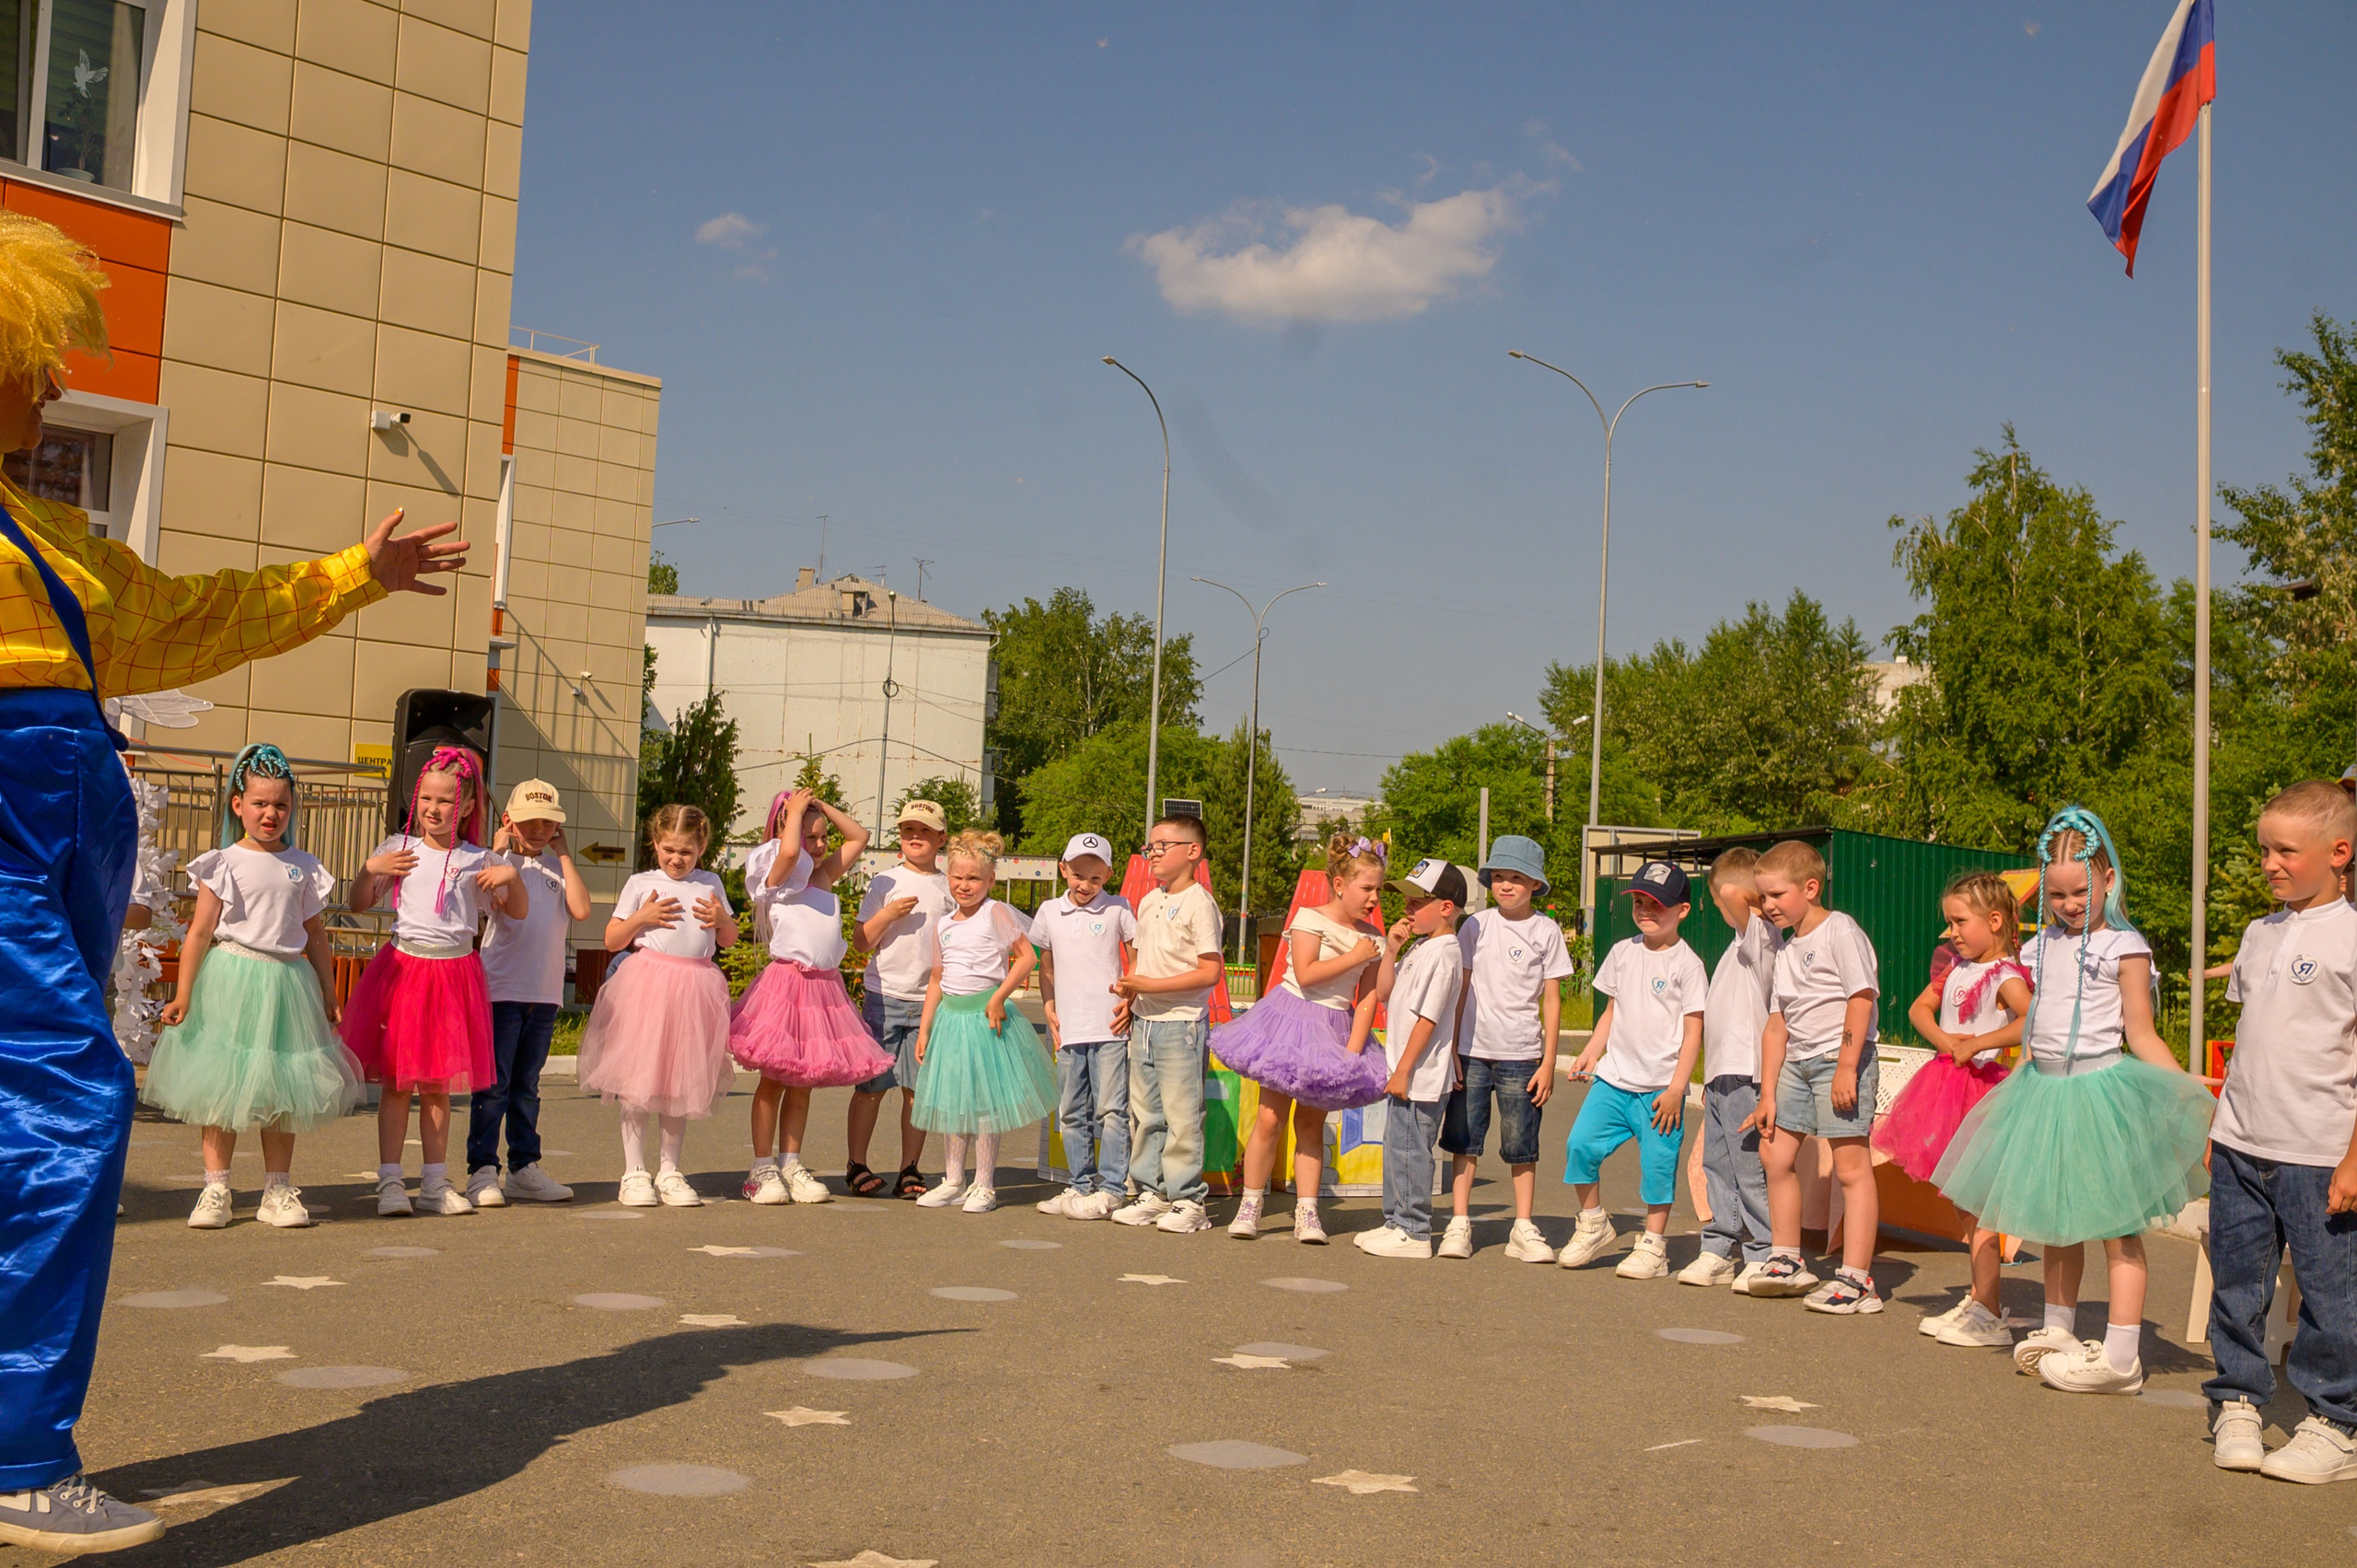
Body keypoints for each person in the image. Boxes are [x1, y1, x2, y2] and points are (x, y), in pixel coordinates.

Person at [0, 207, 464, 1553]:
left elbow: (197, 617)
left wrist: (350, 577)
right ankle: (18, 1450)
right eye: (31, 361)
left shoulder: (51, 537)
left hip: (58, 847)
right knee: (58, 1100)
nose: (50, 387)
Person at [1933, 807, 2215, 1393]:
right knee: (2055, 1221)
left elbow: (2140, 1032)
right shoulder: (2040, 950)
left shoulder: (2123, 946)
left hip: (2100, 1091)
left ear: (2107, 880)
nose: (2067, 904)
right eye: (2056, 894)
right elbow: (2036, 1027)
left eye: (2079, 891)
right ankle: (2059, 1328)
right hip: (2045, 1092)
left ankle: (2121, 1355)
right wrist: (2022, 1083)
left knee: (2117, 1226)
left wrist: (2192, 1096)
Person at [2203, 781, 2357, 1481]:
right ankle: (2236, 1398)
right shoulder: (2258, 933)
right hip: (2242, 1144)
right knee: (2237, 1282)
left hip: (2319, 1153)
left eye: (2286, 850)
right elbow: (2250, 1036)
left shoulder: (2350, 937)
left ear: (2339, 852)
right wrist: (2221, 1123)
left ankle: (2335, 1423)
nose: (2270, 862)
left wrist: (2355, 1158)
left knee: (2331, 1295)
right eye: (2264, 848)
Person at [144, 744, 364, 1230]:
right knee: (222, 1086)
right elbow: (199, 931)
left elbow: (316, 935)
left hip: (288, 982)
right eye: (260, 803)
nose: (271, 813)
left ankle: (277, 1189)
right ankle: (215, 1187)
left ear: (292, 809)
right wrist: (183, 993)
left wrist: (329, 993)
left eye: (281, 805)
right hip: (232, 979)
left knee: (283, 1088)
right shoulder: (222, 861)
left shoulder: (303, 866)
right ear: (237, 804)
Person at [343, 748, 524, 1219]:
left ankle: (434, 1181)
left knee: (439, 1087)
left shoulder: (477, 858)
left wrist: (513, 877)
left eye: (446, 800)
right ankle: (389, 1182)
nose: (433, 808)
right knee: (398, 1085)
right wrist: (369, 871)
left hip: (454, 975)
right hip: (404, 971)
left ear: (465, 806)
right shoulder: (398, 849)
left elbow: (515, 910)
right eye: (426, 797)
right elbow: (358, 904)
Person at [1219, 832, 1392, 1245]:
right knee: (1270, 1118)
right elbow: (1308, 972)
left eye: (1378, 890)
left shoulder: (1374, 938)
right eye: (1366, 888)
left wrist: (1353, 1051)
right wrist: (1356, 955)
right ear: (1339, 884)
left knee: (1311, 1124)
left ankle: (1308, 1213)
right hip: (1290, 1019)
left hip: (1334, 1028)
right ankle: (1251, 1204)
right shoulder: (1309, 919)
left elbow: (1368, 996)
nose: (1373, 898)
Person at [1882, 871, 2030, 1350]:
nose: (1952, 932)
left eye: (1959, 921)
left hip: (1980, 1090)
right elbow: (1919, 1010)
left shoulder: (2005, 973)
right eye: (1949, 922)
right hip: (1949, 1081)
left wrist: (1980, 1043)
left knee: (1978, 1201)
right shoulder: (1955, 968)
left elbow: (2031, 1021)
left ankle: (1989, 1308)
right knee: (1965, 1201)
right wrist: (1949, 1043)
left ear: (1994, 920)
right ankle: (1979, 1297)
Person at [731, 789, 893, 1204]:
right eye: (811, 838)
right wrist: (796, 814)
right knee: (774, 1080)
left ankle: (791, 1163)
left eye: (823, 838)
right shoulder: (777, 873)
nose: (820, 847)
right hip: (786, 987)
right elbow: (788, 853)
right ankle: (761, 1168)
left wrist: (820, 808)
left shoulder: (823, 875)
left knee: (802, 1083)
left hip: (824, 988)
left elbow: (858, 836)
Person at [1744, 839, 1883, 1313]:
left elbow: (1860, 998)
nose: (1768, 906)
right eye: (1763, 897)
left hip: (1839, 1062)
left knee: (1850, 1168)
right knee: (1775, 1156)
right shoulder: (1786, 948)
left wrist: (1847, 1067)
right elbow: (1777, 1024)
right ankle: (1785, 1260)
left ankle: (1858, 1280)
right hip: (1796, 1066)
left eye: (1776, 895)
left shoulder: (1840, 931)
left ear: (1810, 887)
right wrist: (1767, 1094)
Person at [579, 805, 738, 1208]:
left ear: (702, 846)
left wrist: (722, 918)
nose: (676, 859)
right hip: (647, 985)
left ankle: (670, 1170)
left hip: (695, 988)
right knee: (638, 1080)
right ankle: (634, 1172)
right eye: (668, 849)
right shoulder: (640, 882)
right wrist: (643, 916)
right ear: (654, 843)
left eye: (685, 851)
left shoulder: (711, 883)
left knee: (678, 1082)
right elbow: (613, 939)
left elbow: (729, 940)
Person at [1557, 861, 1707, 1279]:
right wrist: (1591, 1051)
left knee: (1658, 1167)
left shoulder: (1688, 965)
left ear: (1682, 910)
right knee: (1579, 1147)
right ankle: (1593, 1223)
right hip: (1613, 1081)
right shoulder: (1623, 952)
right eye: (1639, 901)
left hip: (1660, 1091)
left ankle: (1654, 1247)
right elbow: (1612, 1010)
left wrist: (1679, 1087)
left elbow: (1694, 1032)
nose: (1645, 910)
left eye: (1657, 904)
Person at [1437, 834, 1572, 1262]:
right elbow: (1462, 986)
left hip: (1523, 1055)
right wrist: (1452, 1047)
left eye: (1516, 877)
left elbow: (1552, 999)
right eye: (1498, 877)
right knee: (1464, 1140)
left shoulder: (1547, 931)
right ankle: (1459, 1223)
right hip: (1472, 1051)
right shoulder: (1475, 925)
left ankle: (1523, 1226)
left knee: (1521, 1143)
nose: (1506, 885)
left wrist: (1549, 1061)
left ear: (1536, 884)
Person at [910, 830, 1055, 1214]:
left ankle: (984, 1184)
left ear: (990, 880)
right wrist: (925, 1030)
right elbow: (937, 980)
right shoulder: (942, 924)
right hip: (951, 1023)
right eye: (958, 877)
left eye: (974, 878)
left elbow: (1027, 958)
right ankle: (953, 1178)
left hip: (986, 1021)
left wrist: (998, 996)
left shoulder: (996, 912)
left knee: (986, 1104)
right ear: (947, 875)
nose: (964, 885)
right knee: (955, 1102)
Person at [468, 778, 591, 1207]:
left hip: (544, 994)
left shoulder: (558, 868)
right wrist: (500, 849)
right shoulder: (495, 862)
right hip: (501, 989)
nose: (537, 829)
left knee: (527, 1086)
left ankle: (523, 1167)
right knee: (494, 1084)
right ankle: (482, 1170)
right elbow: (495, 900)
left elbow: (581, 909)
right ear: (509, 821)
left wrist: (564, 854)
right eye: (528, 821)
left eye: (547, 822)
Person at [1109, 813, 1225, 1234]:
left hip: (1182, 1023)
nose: (1153, 854)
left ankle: (1188, 1201)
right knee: (1146, 1112)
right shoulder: (1149, 900)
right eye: (1150, 847)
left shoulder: (1199, 903)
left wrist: (1150, 984)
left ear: (1192, 852)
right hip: (1145, 1020)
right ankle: (1152, 1192)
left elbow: (1209, 972)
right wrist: (1132, 992)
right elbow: (1138, 957)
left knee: (1181, 1115)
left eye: (1162, 846)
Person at [1678, 847, 1782, 1292]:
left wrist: (1750, 895)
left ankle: (1763, 1251)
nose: (1720, 907)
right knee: (1717, 1165)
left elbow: (1731, 888)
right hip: (1723, 1075)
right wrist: (1710, 1079)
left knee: (1748, 1169)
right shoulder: (1735, 947)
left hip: (1748, 1074)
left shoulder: (1759, 937)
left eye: (1718, 905)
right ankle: (1720, 1246)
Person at [1356, 858, 1468, 1260]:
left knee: (1411, 1150)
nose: (1407, 909)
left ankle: (1414, 1230)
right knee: (1397, 1146)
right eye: (1405, 900)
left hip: (1419, 1076)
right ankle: (1395, 1222)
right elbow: (1385, 992)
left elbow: (1429, 1017)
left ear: (1446, 907)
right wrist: (1392, 950)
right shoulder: (1423, 946)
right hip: (1405, 1072)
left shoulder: (1446, 952)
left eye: (1417, 901)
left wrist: (1404, 1069)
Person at [848, 799, 956, 1199]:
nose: (916, 837)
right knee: (872, 1087)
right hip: (885, 995)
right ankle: (856, 1163)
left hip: (930, 1001)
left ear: (941, 838)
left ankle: (909, 1168)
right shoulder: (884, 881)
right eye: (909, 830)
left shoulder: (949, 885)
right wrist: (888, 915)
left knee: (917, 1090)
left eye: (925, 831)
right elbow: (861, 942)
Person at [1030, 831, 1139, 1221]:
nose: (1085, 885)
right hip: (1068, 1028)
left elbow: (1137, 953)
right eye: (1078, 875)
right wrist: (1048, 1006)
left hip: (1109, 1026)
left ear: (1108, 875)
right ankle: (1080, 1184)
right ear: (1063, 869)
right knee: (1071, 1111)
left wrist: (1131, 997)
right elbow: (1046, 965)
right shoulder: (1048, 911)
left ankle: (1111, 1188)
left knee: (1111, 1110)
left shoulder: (1119, 908)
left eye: (1095, 877)